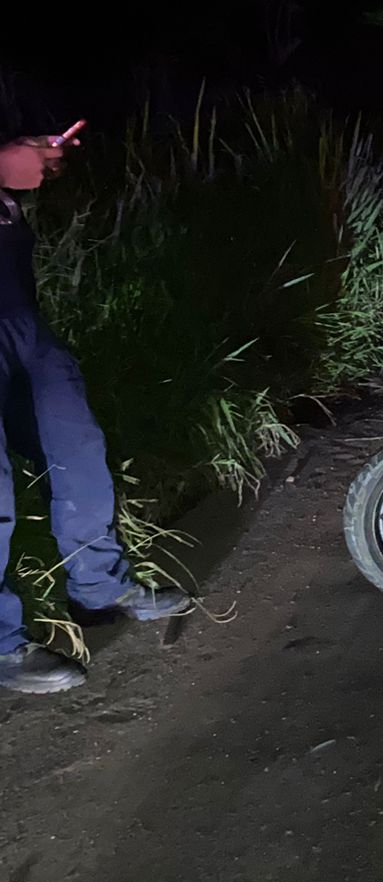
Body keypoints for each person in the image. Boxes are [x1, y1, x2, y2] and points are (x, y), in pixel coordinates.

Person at [0, 133, 193, 694]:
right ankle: (5, 644)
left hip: (19, 320)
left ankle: (98, 587)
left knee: (77, 447)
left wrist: (30, 154)